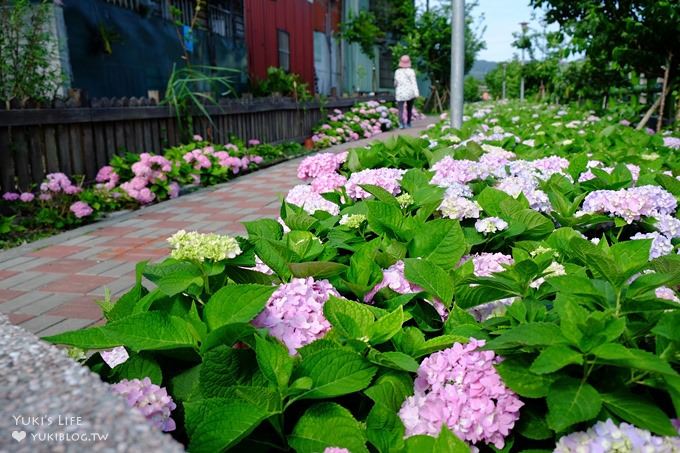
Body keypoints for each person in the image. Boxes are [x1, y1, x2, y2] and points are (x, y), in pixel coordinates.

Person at [394, 55, 419, 129]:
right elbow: (413, 82)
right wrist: (416, 93)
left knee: (400, 109)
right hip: (409, 92)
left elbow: (395, 83)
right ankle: (408, 123)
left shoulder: (397, 71)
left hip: (400, 92)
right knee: (409, 108)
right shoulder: (411, 71)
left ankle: (401, 124)